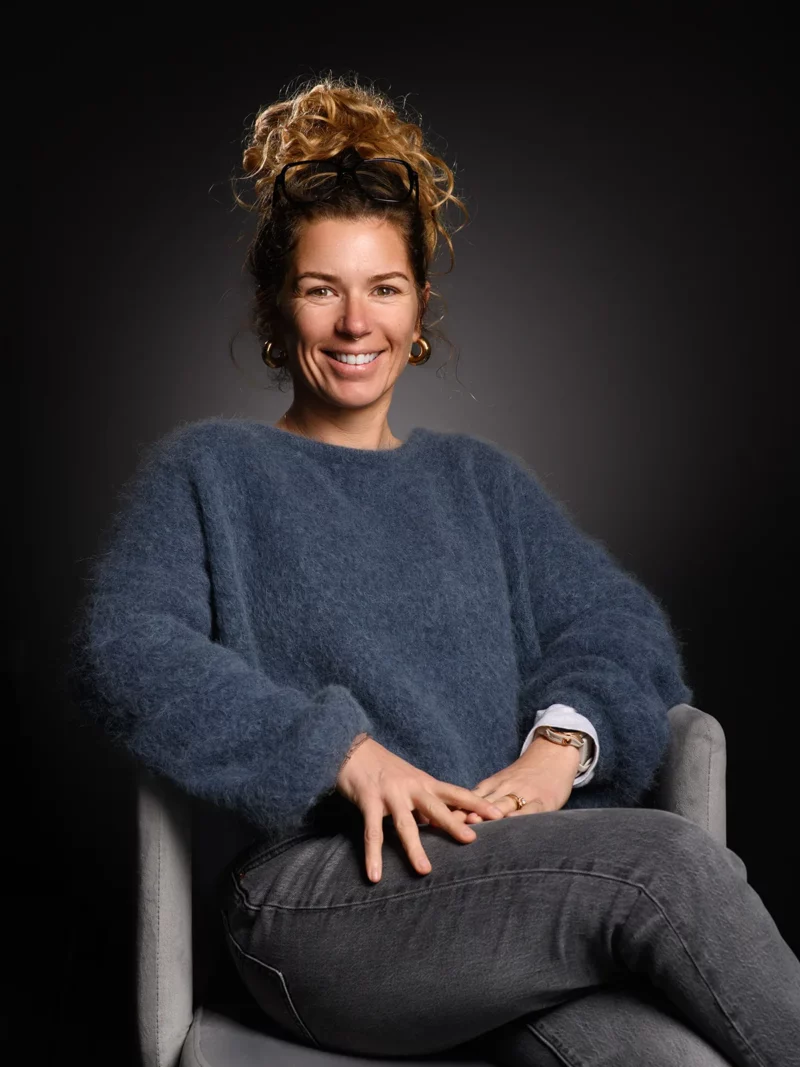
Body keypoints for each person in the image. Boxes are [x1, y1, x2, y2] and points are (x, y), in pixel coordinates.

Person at [68, 75, 800, 1067]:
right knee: (665, 865)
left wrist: (557, 749)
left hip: (503, 893)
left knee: (673, 1055)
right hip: (319, 905)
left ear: (418, 316)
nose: (353, 322)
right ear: (277, 313)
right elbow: (127, 650)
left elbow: (619, 631)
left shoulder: (476, 481)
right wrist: (341, 749)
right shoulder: (212, 470)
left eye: (382, 288)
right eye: (321, 288)